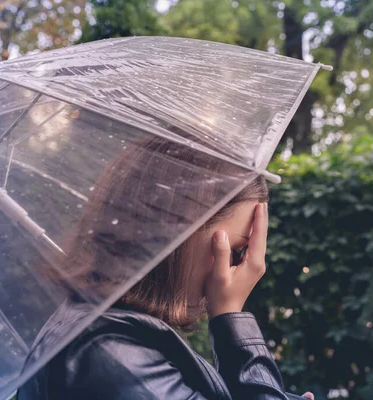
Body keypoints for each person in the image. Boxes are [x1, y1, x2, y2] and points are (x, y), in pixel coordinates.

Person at [17, 134, 313, 400]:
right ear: (178, 232)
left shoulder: (118, 338)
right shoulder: (108, 355)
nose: (239, 269)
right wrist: (231, 318)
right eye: (236, 251)